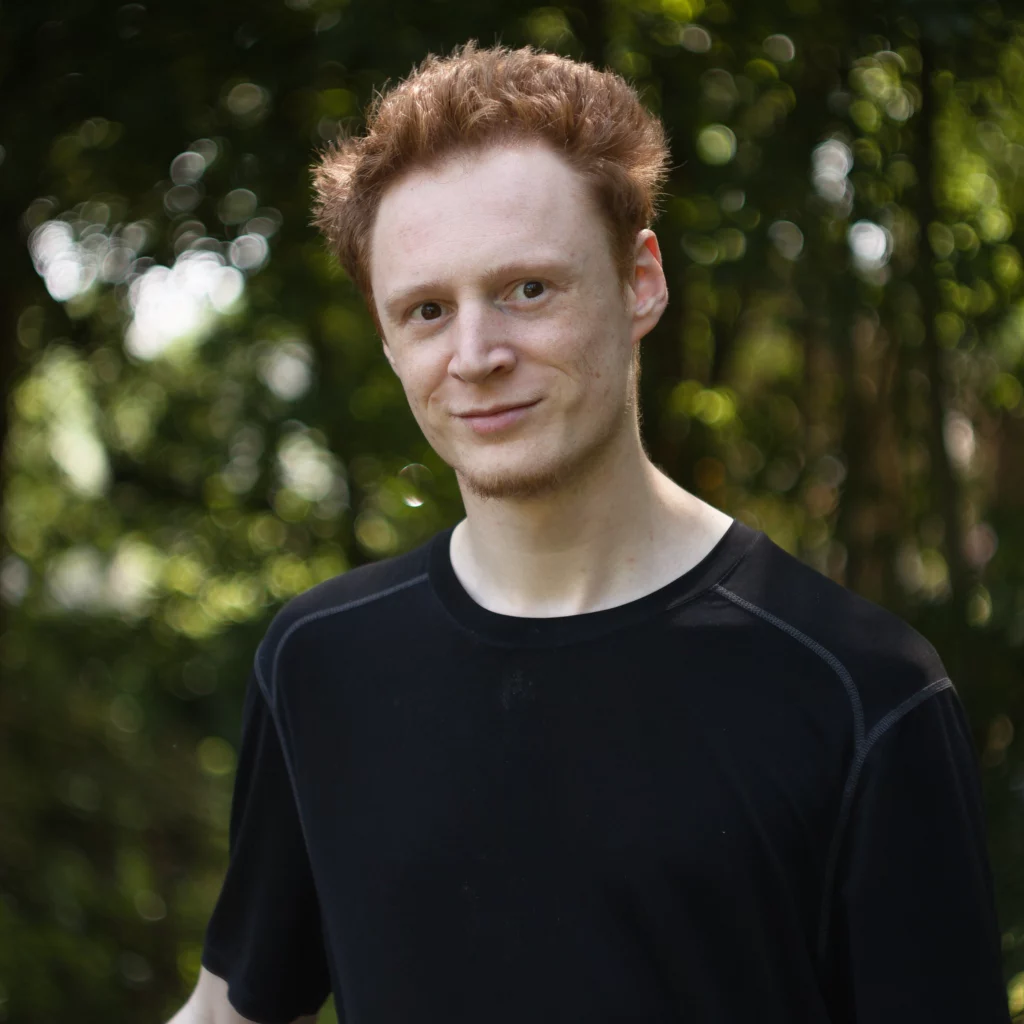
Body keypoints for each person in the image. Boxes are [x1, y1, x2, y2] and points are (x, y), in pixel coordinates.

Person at [167, 42, 1010, 1024]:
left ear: (639, 281)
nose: (475, 355)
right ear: (388, 338)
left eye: (528, 289)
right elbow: (231, 1010)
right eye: (428, 310)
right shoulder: (317, 662)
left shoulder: (861, 691)